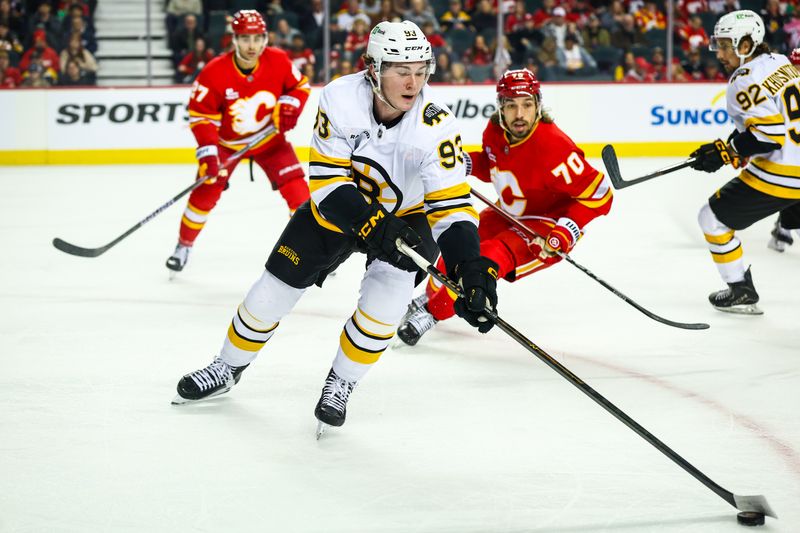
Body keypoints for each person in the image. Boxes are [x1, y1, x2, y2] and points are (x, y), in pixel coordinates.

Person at [171, 20, 500, 438]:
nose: (413, 82)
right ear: (372, 68)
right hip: (338, 211)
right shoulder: (340, 97)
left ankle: (341, 381)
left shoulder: (438, 126)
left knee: (382, 312)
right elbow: (327, 183)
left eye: (421, 70)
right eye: (401, 69)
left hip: (409, 218)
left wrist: (470, 267)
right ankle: (227, 366)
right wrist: (372, 223)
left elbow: (451, 208)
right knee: (270, 292)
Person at [397, 68, 612, 346]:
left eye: (526, 105)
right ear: (500, 107)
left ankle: (431, 313)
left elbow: (601, 196)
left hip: (545, 227)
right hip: (508, 213)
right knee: (459, 242)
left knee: (487, 257)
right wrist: (466, 163)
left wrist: (568, 229)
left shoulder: (555, 147)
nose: (519, 114)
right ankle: (429, 297)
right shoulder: (495, 131)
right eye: (511, 106)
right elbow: (495, 166)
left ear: (538, 104)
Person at [165, 10, 311, 275]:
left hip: (270, 141)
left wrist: (290, 105)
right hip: (227, 145)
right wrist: (209, 154)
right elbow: (201, 117)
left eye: (257, 38)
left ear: (266, 37)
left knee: (299, 192)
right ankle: (184, 245)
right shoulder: (214, 72)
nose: (252, 45)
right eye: (245, 38)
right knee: (206, 192)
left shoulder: (277, 60)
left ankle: (313, 250)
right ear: (234, 39)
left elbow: (300, 86)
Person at [691, 10, 800, 315]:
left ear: (747, 44)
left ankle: (740, 291)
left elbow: (768, 137)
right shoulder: (780, 62)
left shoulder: (742, 79)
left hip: (785, 173)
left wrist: (728, 151)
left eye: (726, 45)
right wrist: (731, 147)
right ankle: (788, 224)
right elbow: (764, 123)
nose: (720, 53)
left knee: (711, 218)